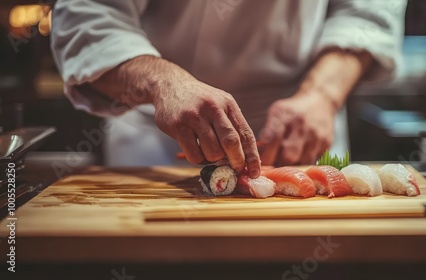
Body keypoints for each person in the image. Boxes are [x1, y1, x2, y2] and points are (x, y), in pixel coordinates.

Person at [51, 0, 406, 179]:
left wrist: (322, 94)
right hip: (158, 134)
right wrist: (164, 82)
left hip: (299, 122)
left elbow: (369, 12)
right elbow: (89, 16)